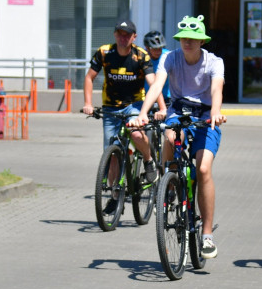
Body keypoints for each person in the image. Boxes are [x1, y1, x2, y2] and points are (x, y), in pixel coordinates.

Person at [134, 15, 225, 258]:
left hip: (206, 117)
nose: (188, 42)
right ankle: (169, 183)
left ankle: (207, 236)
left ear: (202, 41)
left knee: (203, 169)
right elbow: (157, 85)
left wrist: (215, 113)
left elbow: (217, 88)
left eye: (193, 38)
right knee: (168, 136)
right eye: (184, 38)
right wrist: (144, 113)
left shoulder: (214, 62)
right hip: (178, 112)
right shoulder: (170, 57)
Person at [82, 20, 158, 208]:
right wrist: (88, 104)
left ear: (134, 37)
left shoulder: (140, 55)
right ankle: (116, 197)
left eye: (127, 34)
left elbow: (153, 82)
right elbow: (89, 77)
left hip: (134, 105)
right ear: (115, 34)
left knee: (136, 133)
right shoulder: (104, 52)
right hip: (110, 108)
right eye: (119, 34)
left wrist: (159, 108)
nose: (123, 38)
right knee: (112, 153)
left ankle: (148, 161)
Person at [143, 30, 171, 112]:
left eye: (160, 48)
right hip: (147, 98)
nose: (158, 51)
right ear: (147, 47)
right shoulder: (141, 57)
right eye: (155, 49)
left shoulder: (168, 56)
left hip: (167, 98)